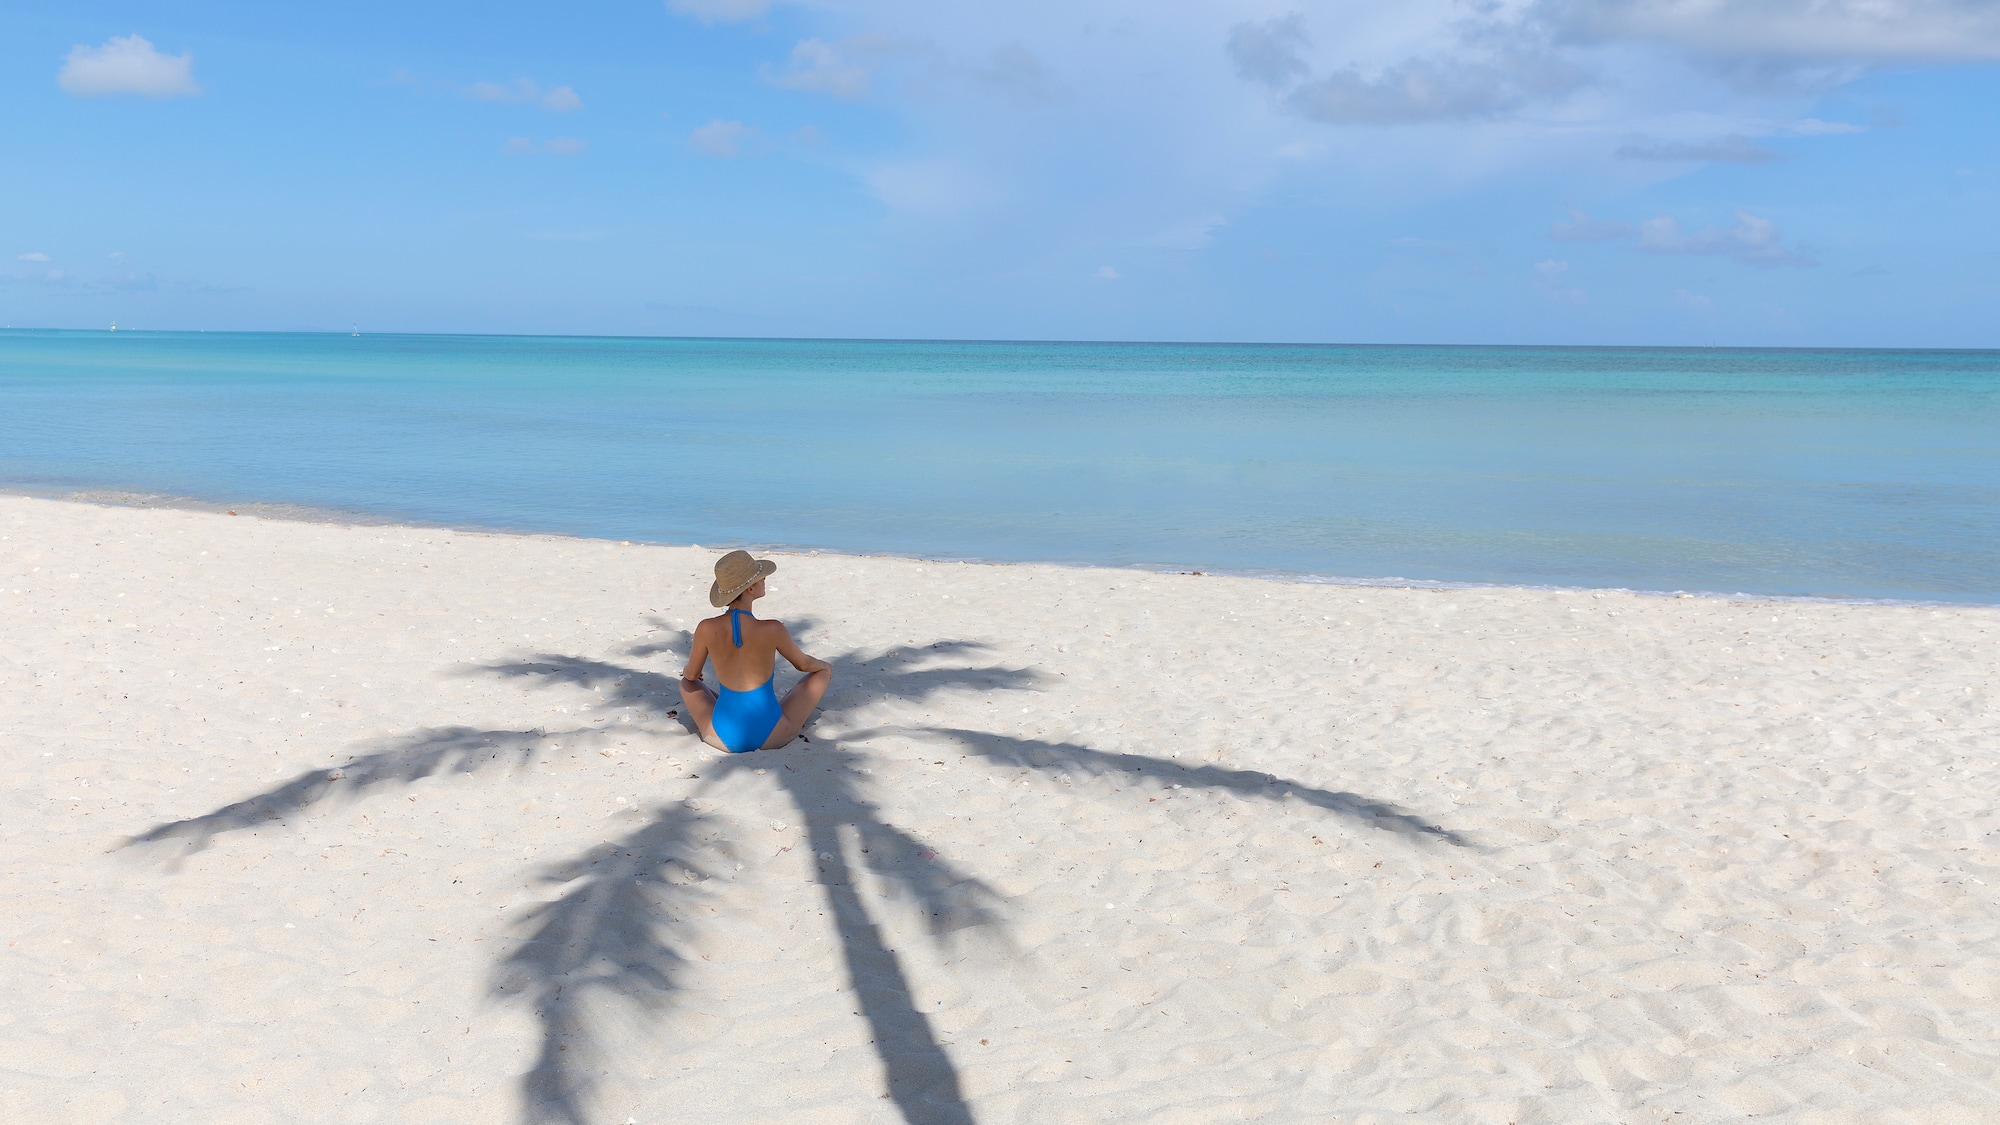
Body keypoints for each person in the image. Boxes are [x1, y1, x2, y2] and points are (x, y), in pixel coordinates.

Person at [679, 550, 832, 752]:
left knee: (686, 683)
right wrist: (825, 666)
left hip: (720, 736)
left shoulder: (706, 628)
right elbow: (803, 664)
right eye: (761, 577)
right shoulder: (772, 629)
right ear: (751, 588)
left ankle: (728, 704)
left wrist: (693, 673)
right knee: (822, 673)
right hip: (773, 734)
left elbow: (690, 675)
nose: (765, 579)